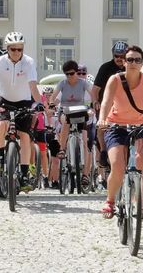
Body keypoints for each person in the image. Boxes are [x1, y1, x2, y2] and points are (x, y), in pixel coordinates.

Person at [98, 45, 143, 220]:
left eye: (138, 60)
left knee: (142, 161)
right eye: (130, 59)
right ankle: (110, 201)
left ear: (142, 62)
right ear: (124, 62)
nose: (133, 63)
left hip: (141, 126)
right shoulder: (115, 79)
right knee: (118, 165)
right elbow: (106, 102)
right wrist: (102, 119)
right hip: (116, 126)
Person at [0, 31, 44, 192]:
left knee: (25, 136)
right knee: (2, 126)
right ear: (7, 49)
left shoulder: (29, 62)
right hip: (4, 99)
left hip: (23, 100)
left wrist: (38, 103)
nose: (17, 52)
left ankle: (23, 175)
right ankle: (0, 157)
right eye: (13, 49)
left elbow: (32, 86)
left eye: (20, 49)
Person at [49, 60, 94, 189]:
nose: (70, 76)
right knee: (65, 122)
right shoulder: (62, 84)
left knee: (85, 140)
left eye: (72, 73)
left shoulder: (84, 83)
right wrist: (52, 103)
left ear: (77, 73)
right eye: (67, 74)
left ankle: (85, 173)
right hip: (66, 111)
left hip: (81, 111)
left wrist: (95, 103)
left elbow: (93, 94)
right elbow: (54, 96)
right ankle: (62, 149)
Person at [92, 41, 128, 171]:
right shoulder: (105, 68)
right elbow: (95, 90)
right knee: (102, 125)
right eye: (116, 56)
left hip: (125, 105)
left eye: (122, 56)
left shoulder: (130, 67)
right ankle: (103, 151)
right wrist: (95, 101)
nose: (119, 59)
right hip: (107, 104)